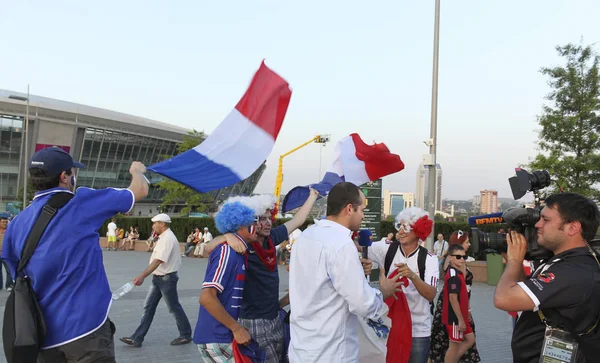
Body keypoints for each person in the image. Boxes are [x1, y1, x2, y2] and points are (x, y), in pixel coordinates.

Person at [1, 146, 148, 362]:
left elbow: (17, 275)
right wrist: (137, 171)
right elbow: (140, 190)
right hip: (86, 330)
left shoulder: (16, 223)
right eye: (72, 173)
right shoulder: (81, 203)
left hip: (42, 335)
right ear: (64, 177)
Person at [288, 182, 401, 362]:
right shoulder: (341, 243)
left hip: (301, 348)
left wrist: (354, 270)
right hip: (331, 351)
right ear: (349, 209)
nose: (363, 216)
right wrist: (382, 292)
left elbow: (319, 281)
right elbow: (362, 303)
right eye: (362, 210)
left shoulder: (306, 237)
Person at [205, 191, 320, 362]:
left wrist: (313, 195)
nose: (268, 223)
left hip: (274, 316)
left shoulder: (271, 238)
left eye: (269, 218)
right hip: (253, 321)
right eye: (262, 219)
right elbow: (208, 248)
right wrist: (227, 236)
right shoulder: (242, 244)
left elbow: (298, 220)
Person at [494, 192, 600, 363]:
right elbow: (523, 294)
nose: (537, 224)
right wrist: (514, 260)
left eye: (546, 219)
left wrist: (514, 261)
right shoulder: (565, 262)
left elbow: (504, 298)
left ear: (573, 227)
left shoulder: (573, 271)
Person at [368, 207, 439, 363]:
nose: (400, 231)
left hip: (417, 331)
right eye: (398, 226)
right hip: (390, 326)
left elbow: (431, 294)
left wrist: (412, 276)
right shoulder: (387, 249)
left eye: (405, 227)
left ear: (418, 230)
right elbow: (359, 247)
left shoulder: (429, 259)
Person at [194, 198, 258, 361]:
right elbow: (206, 297)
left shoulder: (238, 251)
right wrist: (236, 328)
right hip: (216, 337)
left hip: (221, 336)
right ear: (241, 225)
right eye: (254, 221)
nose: (257, 226)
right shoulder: (227, 252)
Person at [120, 213, 193, 348]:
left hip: (166, 279)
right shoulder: (164, 237)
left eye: (155, 223)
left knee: (173, 308)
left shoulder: (167, 239)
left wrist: (142, 276)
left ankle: (186, 335)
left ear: (162, 224)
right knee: (149, 307)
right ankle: (137, 338)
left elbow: (158, 260)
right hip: (159, 278)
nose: (153, 226)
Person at [429, 230, 480, 362]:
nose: (469, 244)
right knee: (454, 343)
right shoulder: (456, 265)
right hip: (455, 308)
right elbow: (459, 291)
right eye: (466, 242)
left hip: (453, 306)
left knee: (454, 342)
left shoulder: (454, 261)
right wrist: (465, 313)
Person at [443, 244, 476, 363]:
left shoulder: (458, 273)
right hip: (454, 318)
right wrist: (460, 320)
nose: (462, 259)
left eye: (464, 257)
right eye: (458, 257)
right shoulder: (453, 275)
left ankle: (452, 360)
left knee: (470, 339)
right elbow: (452, 298)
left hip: (460, 316)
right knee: (454, 346)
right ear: (450, 257)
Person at [0, 213, 14, 291]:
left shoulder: (9, 231)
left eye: (6, 222)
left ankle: (8, 285)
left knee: (9, 270)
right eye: (3, 222)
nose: (4, 223)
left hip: (6, 253)